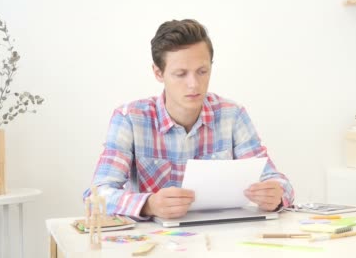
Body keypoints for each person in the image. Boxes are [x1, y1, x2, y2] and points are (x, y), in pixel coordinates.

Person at [83, 19, 294, 219]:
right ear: (158, 73)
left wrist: (275, 195)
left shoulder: (233, 115)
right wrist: (149, 205)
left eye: (202, 71)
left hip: (222, 238)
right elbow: (95, 197)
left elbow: (278, 182)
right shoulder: (129, 118)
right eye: (181, 74)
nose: (194, 84)